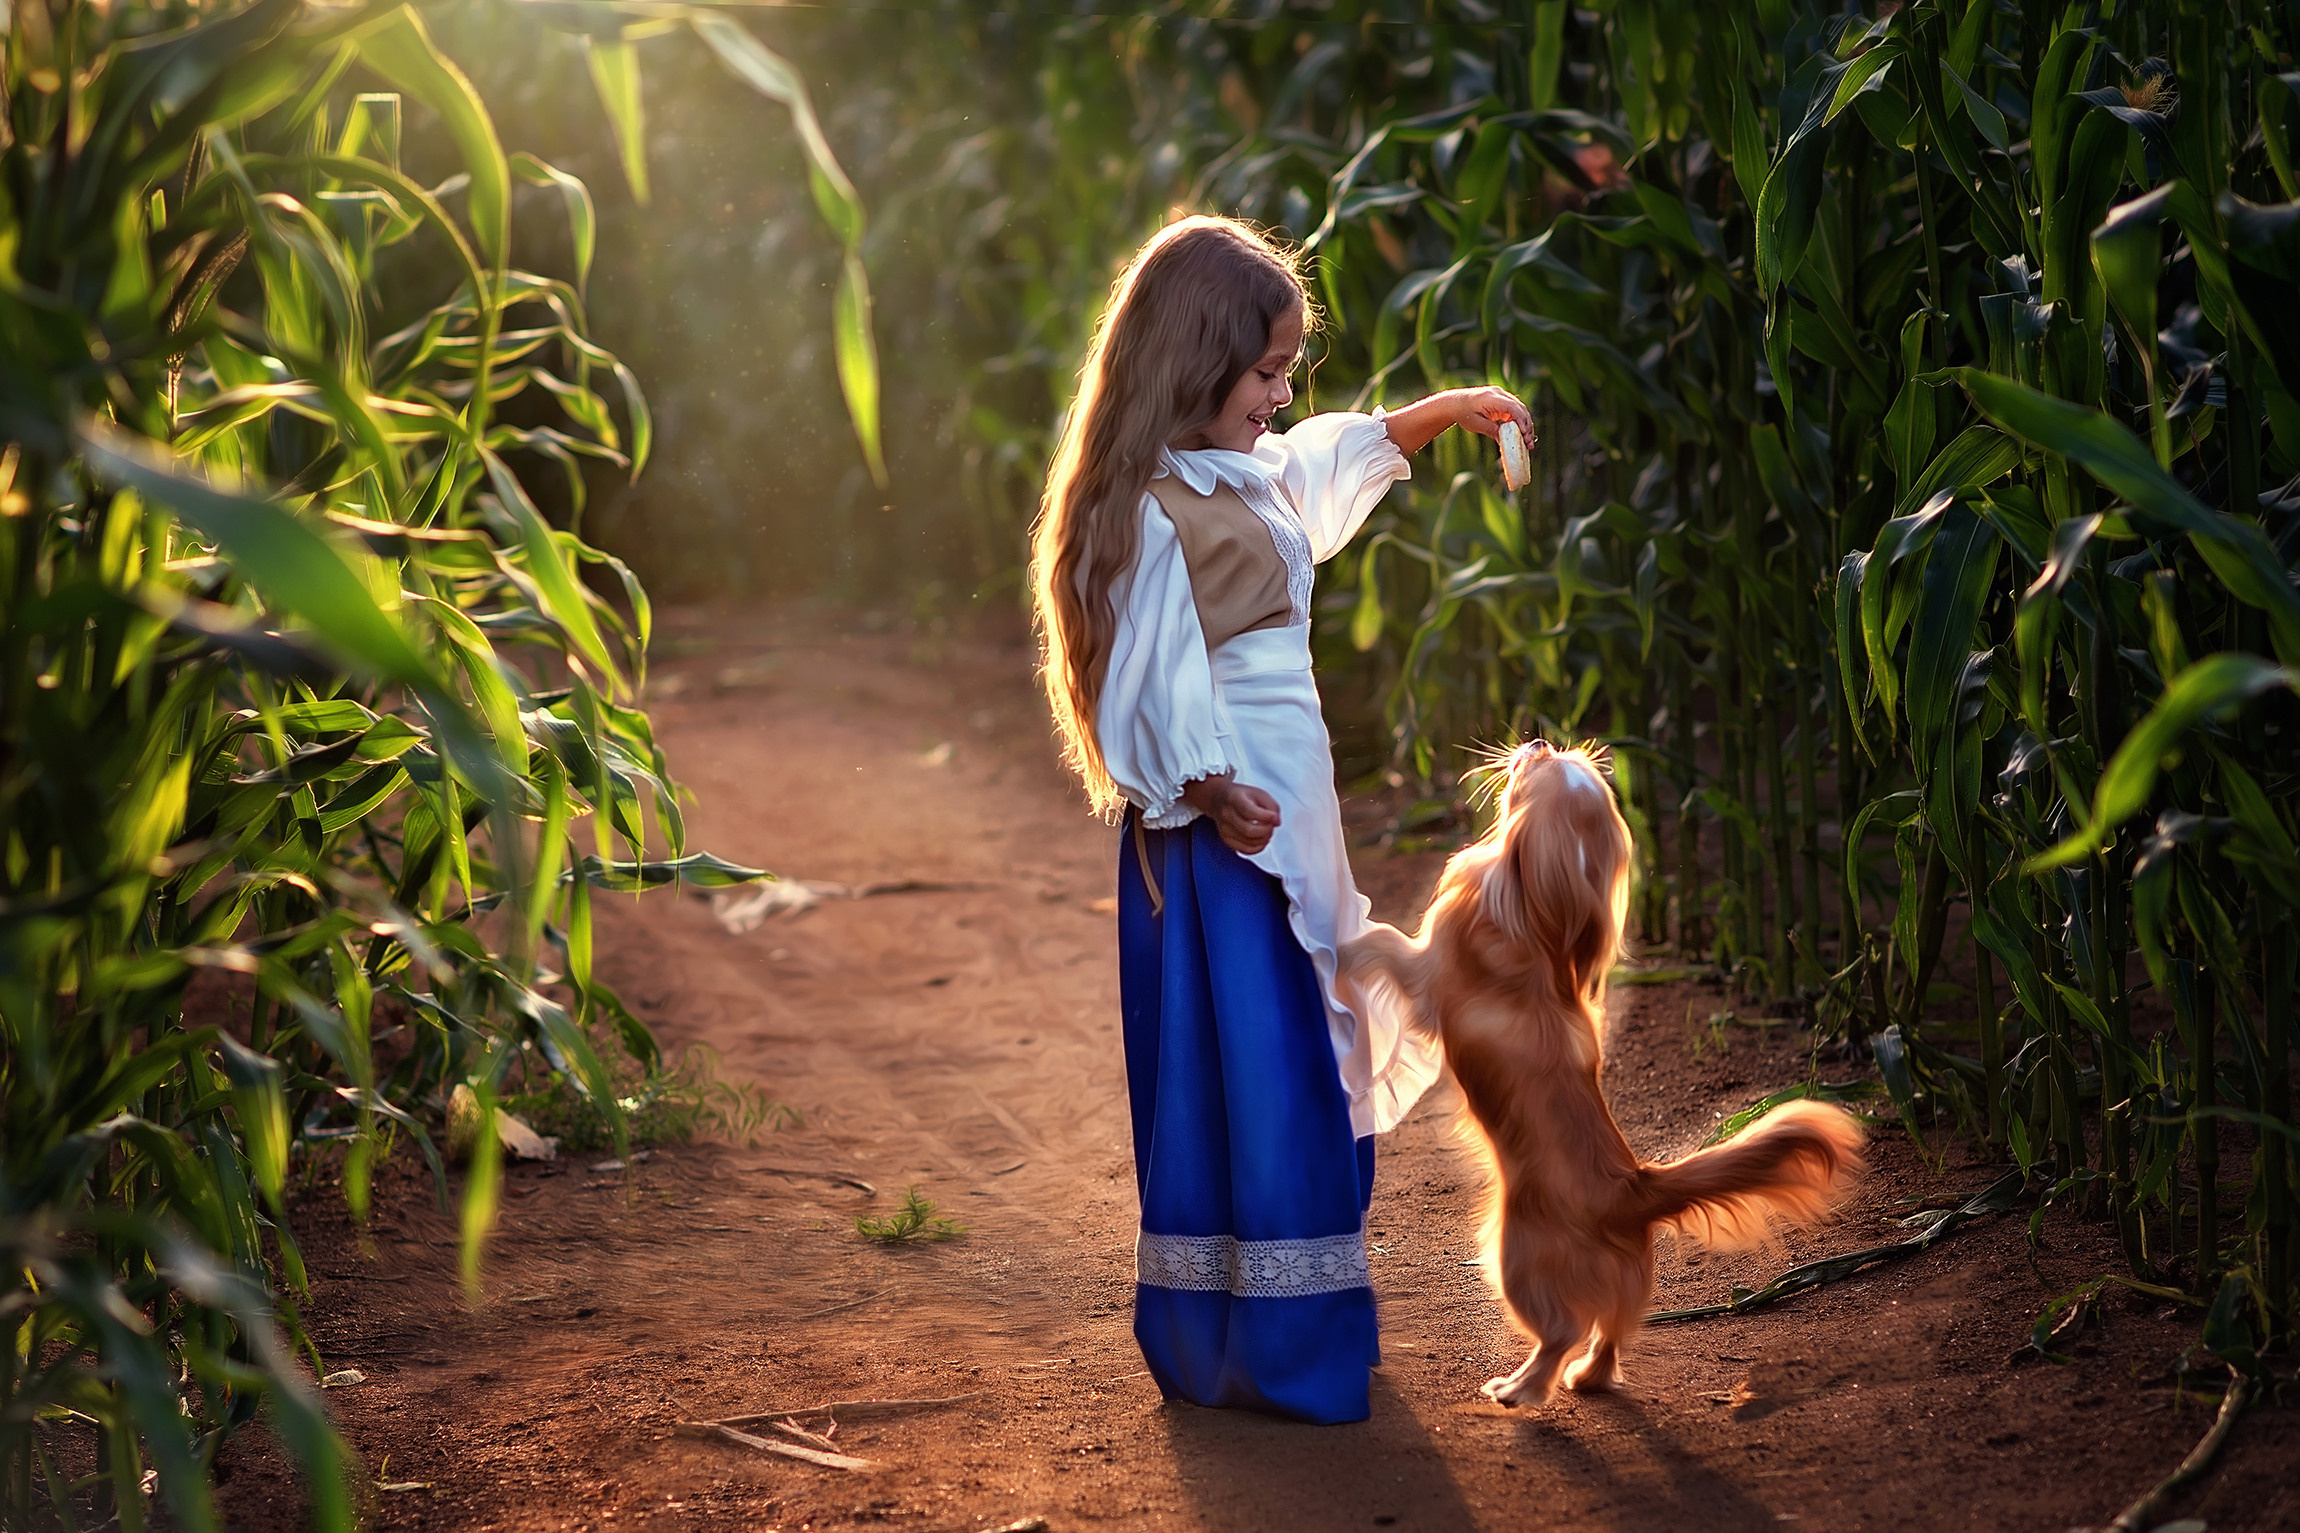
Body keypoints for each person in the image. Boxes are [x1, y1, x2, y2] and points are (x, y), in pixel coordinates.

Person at [1029, 215, 1536, 1424]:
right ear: (1194, 364)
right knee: (1259, 1070)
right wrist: (1206, 787)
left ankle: (1291, 1329)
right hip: (1228, 838)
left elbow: (1311, 477)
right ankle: (1269, 1346)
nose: (1282, 394)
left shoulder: (1238, 476)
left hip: (1285, 809)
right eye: (1264, 372)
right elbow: (1142, 676)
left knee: (1307, 1045)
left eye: (1287, 369)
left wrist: (1441, 414)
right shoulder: (1153, 510)